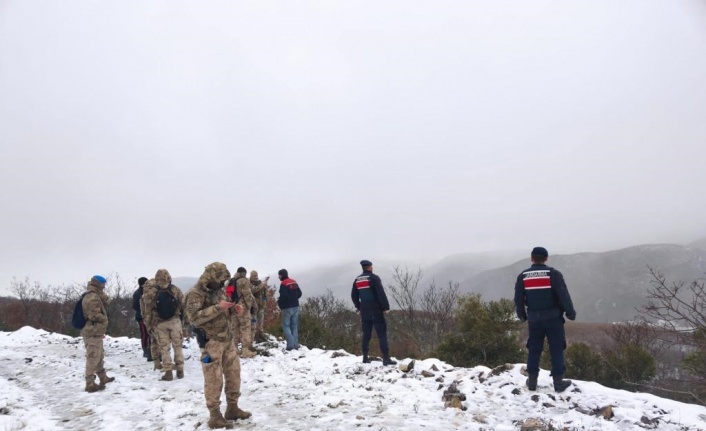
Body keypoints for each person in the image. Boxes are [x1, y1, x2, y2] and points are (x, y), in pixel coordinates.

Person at [185, 262, 251, 429]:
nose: (222, 284)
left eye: (224, 281)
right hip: (211, 341)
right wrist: (217, 308)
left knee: (234, 374)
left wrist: (233, 309)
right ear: (211, 277)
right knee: (213, 378)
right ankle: (214, 415)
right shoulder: (195, 293)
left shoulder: (218, 290)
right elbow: (193, 318)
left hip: (227, 340)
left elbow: (224, 307)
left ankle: (232, 408)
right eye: (220, 280)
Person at [514, 246, 576, 393]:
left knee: (534, 349)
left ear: (531, 258)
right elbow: (563, 295)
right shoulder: (554, 274)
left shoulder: (523, 276)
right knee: (556, 349)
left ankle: (532, 382)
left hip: (534, 319)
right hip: (554, 318)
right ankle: (558, 383)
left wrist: (522, 315)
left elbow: (518, 299)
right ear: (546, 258)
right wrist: (570, 313)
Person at [142, 269, 186, 381]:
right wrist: (185, 322)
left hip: (160, 323)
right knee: (178, 346)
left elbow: (147, 310)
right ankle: (180, 370)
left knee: (164, 348)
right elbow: (184, 305)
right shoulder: (175, 289)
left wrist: (149, 324)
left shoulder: (152, 292)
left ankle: (168, 372)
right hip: (175, 321)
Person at [351, 260, 396, 365]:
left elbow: (354, 296)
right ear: (370, 267)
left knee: (366, 334)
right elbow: (381, 293)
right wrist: (386, 307)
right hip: (376, 309)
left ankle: (365, 357)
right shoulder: (374, 278)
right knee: (381, 333)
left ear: (363, 268)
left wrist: (359, 306)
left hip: (364, 310)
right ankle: (386, 358)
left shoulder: (357, 280)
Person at [81, 275, 115, 392]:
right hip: (92, 331)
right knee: (93, 357)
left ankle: (102, 377)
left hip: (96, 331)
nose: (104, 286)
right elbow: (93, 315)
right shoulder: (91, 297)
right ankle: (89, 383)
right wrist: (104, 319)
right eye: (103, 284)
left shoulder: (96, 295)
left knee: (99, 356)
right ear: (98, 284)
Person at [226, 267, 257, 358]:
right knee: (245, 328)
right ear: (244, 273)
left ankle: (234, 349)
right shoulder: (244, 281)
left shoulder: (231, 281)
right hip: (242, 308)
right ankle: (246, 350)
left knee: (234, 328)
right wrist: (249, 307)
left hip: (232, 308)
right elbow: (247, 294)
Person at [276, 269, 301, 351]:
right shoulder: (294, 281)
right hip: (296, 306)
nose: (278, 277)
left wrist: (279, 303)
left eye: (279, 275)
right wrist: (294, 299)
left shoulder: (284, 283)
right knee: (294, 326)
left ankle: (290, 346)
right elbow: (299, 293)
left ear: (282, 275)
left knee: (286, 325)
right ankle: (296, 345)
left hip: (286, 308)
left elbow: (284, 296)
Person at [132, 276, 151, 360]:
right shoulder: (137, 293)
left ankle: (150, 350)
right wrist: (143, 312)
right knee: (144, 334)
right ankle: (145, 350)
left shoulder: (149, 292)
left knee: (150, 334)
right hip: (141, 317)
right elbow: (135, 306)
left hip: (149, 316)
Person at [249, 271, 269, 342]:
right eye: (254, 276)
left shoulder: (260, 283)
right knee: (252, 323)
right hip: (253, 307)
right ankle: (252, 337)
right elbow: (253, 290)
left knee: (260, 322)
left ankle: (260, 334)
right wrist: (262, 285)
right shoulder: (249, 283)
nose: (256, 277)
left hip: (261, 305)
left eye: (256, 276)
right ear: (251, 276)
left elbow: (265, 292)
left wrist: (265, 298)